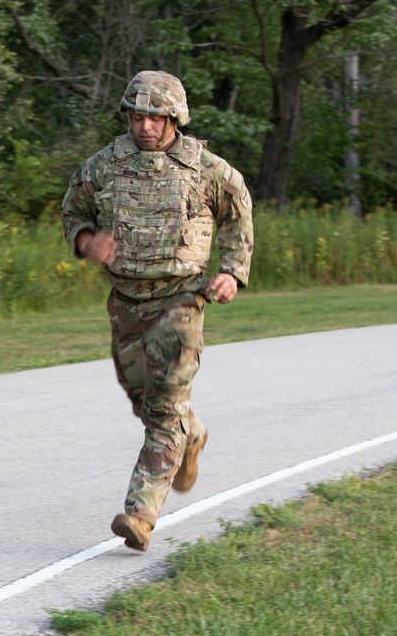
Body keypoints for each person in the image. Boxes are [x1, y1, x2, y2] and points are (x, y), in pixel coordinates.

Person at [61, 70, 254, 551]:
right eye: (138, 115)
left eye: (156, 116)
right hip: (126, 300)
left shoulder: (206, 168)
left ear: (174, 117)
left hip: (182, 297)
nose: (145, 125)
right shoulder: (103, 167)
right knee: (143, 399)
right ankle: (191, 436)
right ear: (127, 115)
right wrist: (87, 241)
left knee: (165, 408)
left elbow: (237, 213)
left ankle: (139, 515)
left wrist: (230, 271)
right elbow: (73, 213)